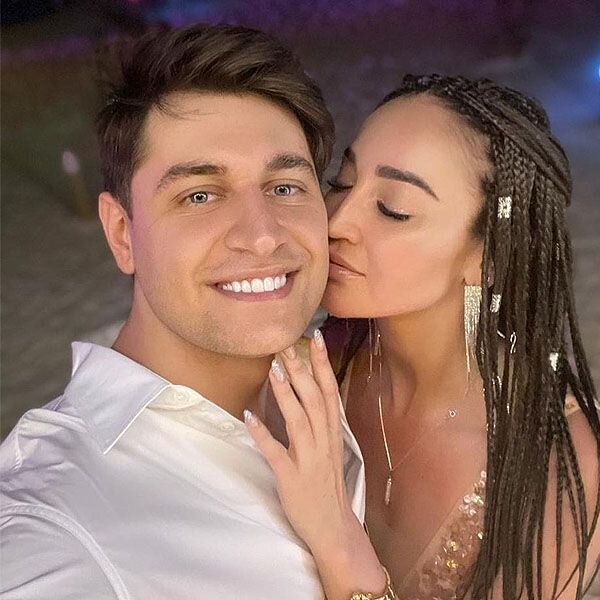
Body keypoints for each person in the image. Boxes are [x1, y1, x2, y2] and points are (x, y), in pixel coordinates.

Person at [0, 24, 386, 599]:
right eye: (199, 195)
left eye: (284, 187)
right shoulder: (55, 530)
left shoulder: (349, 381)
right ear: (122, 233)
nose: (262, 236)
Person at [246, 75, 600, 599]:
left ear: (492, 255)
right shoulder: (315, 362)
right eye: (341, 182)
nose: (337, 222)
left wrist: (336, 538)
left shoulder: (555, 462)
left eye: (393, 209)